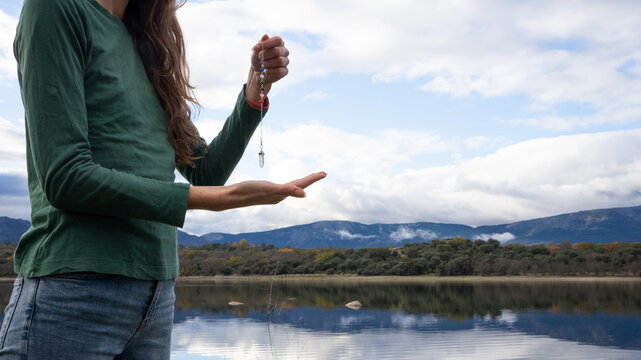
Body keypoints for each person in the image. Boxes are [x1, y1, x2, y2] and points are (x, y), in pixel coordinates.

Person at [0, 0, 325, 358]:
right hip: (72, 291)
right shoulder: (55, 9)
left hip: (156, 294)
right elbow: (65, 177)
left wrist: (254, 89)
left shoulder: (147, 46)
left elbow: (205, 171)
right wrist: (213, 199)